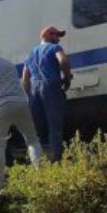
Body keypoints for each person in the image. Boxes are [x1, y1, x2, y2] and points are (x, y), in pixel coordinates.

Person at [0, 42, 42, 192]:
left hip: (1, 107)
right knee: (32, 140)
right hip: (21, 103)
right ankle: (41, 176)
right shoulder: (9, 64)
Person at [22, 26, 73, 162]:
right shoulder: (54, 48)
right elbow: (63, 61)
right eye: (57, 35)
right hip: (51, 86)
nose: (58, 39)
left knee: (37, 129)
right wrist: (67, 78)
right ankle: (57, 160)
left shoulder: (30, 54)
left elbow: (25, 78)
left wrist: (29, 97)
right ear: (48, 35)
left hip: (34, 89)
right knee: (54, 125)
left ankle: (38, 162)